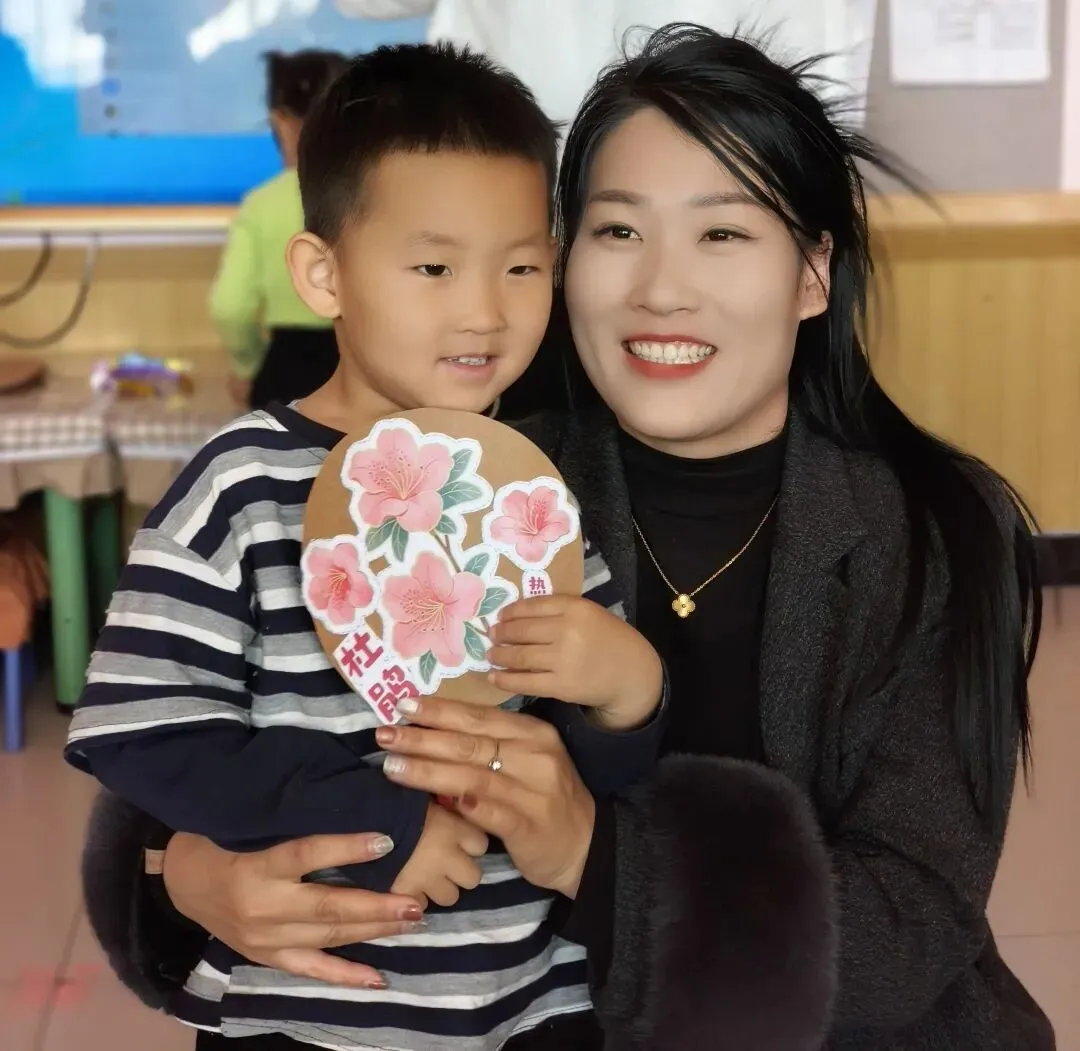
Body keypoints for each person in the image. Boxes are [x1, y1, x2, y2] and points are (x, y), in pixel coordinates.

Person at [79, 23, 1055, 1051]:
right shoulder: (474, 477)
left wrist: (598, 853)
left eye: (723, 234)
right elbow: (185, 736)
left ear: (813, 272)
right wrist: (188, 871)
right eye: (618, 230)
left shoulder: (934, 529)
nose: (661, 289)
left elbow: (912, 924)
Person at [66, 43, 668, 1051]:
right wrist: (378, 817)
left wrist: (627, 697)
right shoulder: (238, 486)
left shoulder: (528, 488)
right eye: (433, 267)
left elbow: (595, 769)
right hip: (303, 1020)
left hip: (531, 1007)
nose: (485, 310)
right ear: (323, 274)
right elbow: (143, 733)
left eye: (523, 266)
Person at [209, 50, 347, 410]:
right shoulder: (378, 196)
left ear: (280, 120)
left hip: (286, 373)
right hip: (366, 365)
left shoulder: (261, 204)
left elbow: (230, 307)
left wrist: (248, 367)